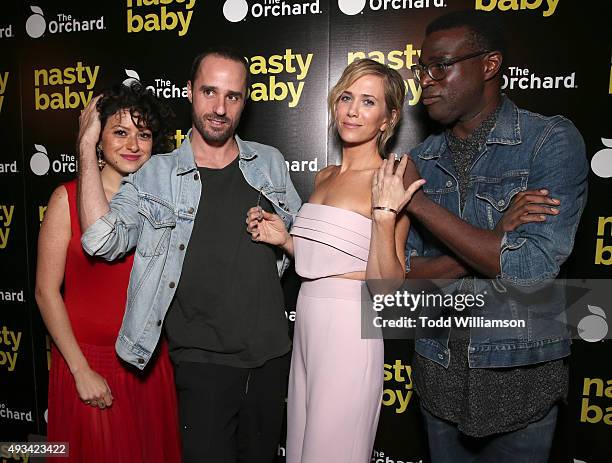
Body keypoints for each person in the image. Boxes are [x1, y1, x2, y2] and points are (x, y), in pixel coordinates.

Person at [78, 47, 302, 463]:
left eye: (232, 96)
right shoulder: (156, 174)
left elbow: (304, 247)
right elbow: (100, 241)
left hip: (272, 356)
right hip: (202, 362)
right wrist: (87, 145)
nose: (220, 108)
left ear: (245, 100)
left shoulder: (270, 163)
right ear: (189, 92)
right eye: (209, 92)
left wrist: (286, 239)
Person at [402, 11, 588, 463]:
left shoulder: (550, 141)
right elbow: (404, 283)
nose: (426, 81)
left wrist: (418, 204)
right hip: (439, 381)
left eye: (440, 66)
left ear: (489, 66)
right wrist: (493, 237)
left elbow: (530, 269)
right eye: (421, 69)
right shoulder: (419, 161)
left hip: (521, 383)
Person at [247, 58, 425, 463]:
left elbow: (386, 285)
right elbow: (334, 257)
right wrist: (287, 241)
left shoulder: (391, 176)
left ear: (388, 118)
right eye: (346, 97)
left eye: (368, 102)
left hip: (350, 326)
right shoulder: (324, 176)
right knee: (301, 449)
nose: (352, 110)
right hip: (309, 319)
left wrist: (384, 213)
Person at [36, 83, 181, 463]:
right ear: (97, 139)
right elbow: (45, 292)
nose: (133, 143)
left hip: (147, 364)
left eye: (143, 134)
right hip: (85, 362)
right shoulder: (65, 199)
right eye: (120, 131)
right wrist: (80, 371)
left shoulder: (160, 206)